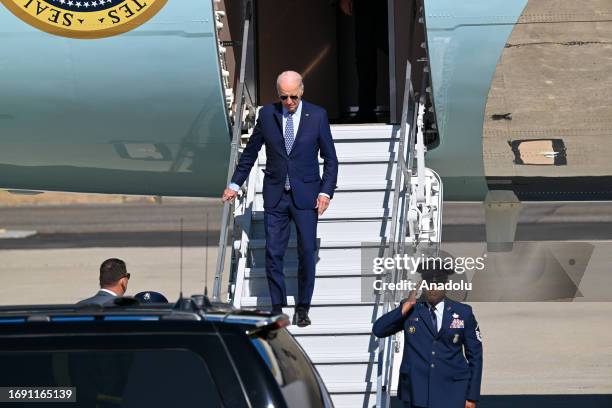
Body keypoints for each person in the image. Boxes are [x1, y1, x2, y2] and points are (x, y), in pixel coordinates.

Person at [222, 71, 338, 327]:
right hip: (276, 195)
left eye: (293, 97)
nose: (289, 102)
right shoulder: (267, 115)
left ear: (302, 92)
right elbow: (251, 152)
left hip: (307, 195)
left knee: (307, 252)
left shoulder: (317, 116)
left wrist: (325, 192)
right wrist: (234, 183)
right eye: (284, 97)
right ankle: (277, 307)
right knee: (274, 253)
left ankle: (303, 307)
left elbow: (331, 159)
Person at [372, 265, 483, 408]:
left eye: (438, 284)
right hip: (418, 392)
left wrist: (471, 396)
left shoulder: (463, 312)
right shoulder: (411, 310)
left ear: (446, 285)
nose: (433, 288)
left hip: (452, 391)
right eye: (429, 284)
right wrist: (406, 306)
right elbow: (379, 330)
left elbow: (475, 355)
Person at [340, 0, 389, 122]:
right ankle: (366, 111)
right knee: (365, 57)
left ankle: (408, 105)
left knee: (396, 50)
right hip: (365, 6)